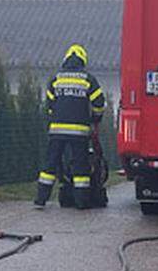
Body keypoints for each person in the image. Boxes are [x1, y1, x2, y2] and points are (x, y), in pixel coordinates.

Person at [34, 44, 105, 210]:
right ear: (82, 60)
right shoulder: (88, 79)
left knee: (50, 165)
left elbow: (50, 104)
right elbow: (99, 103)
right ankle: (81, 202)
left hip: (57, 130)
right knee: (80, 166)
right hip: (79, 132)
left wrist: (56, 116)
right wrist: (95, 118)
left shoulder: (56, 79)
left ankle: (40, 199)